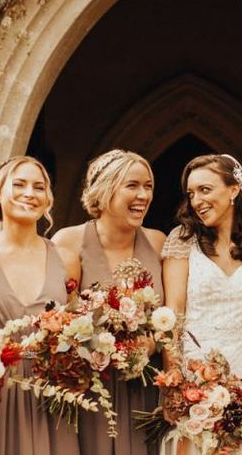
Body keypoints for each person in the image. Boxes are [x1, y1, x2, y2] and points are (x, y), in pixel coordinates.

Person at [0, 155, 80, 455]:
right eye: (20, 184)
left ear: (48, 199)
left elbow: (78, 328)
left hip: (52, 392)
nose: (30, 193)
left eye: (39, 187)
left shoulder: (67, 259)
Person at [52, 149, 166, 455]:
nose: (144, 195)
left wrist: (152, 344)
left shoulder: (157, 242)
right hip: (93, 387)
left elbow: (172, 317)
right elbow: (58, 320)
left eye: (148, 186)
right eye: (132, 186)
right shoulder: (68, 241)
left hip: (146, 386)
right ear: (104, 190)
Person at [160, 154, 242, 454]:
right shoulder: (182, 240)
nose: (196, 200)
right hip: (195, 369)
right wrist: (174, 382)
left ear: (234, 189)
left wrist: (240, 332)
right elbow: (173, 313)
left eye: (205, 190)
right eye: (191, 193)